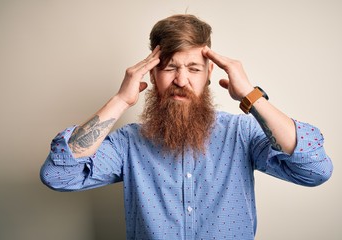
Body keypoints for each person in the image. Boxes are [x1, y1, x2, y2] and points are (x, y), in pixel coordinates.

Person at [40, 14, 333, 239]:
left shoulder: (241, 134)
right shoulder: (128, 143)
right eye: (169, 68)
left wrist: (250, 95)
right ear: (152, 75)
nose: (181, 80)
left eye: (193, 69)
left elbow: (314, 170)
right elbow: (59, 175)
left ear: (209, 75)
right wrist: (120, 100)